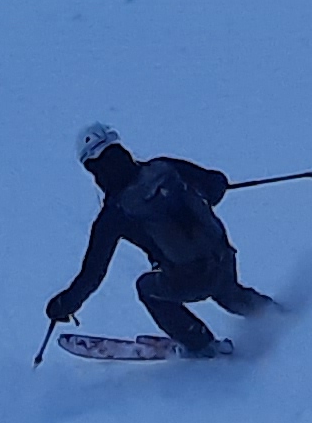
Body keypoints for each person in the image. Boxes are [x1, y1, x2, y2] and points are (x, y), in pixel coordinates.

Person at [46, 122, 273, 357]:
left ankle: (201, 344)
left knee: (147, 288)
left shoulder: (114, 213)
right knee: (227, 293)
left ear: (92, 169)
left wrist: (64, 305)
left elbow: (92, 275)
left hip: (188, 278)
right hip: (223, 257)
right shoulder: (164, 167)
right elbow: (215, 185)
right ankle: (277, 315)